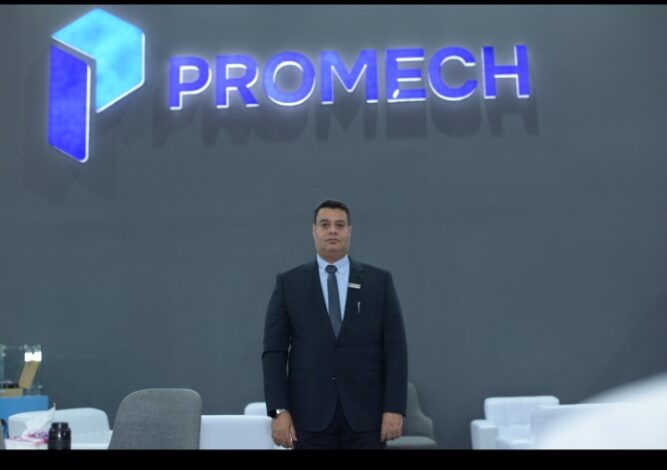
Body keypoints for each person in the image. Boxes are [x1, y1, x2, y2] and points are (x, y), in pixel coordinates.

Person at [262, 199, 408, 449]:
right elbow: (274, 352)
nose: (332, 230)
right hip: (308, 416)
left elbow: (396, 349)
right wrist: (278, 411)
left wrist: (394, 407)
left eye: (339, 225)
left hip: (367, 416)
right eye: (325, 224)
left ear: (349, 231)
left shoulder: (379, 281)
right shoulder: (289, 283)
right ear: (314, 230)